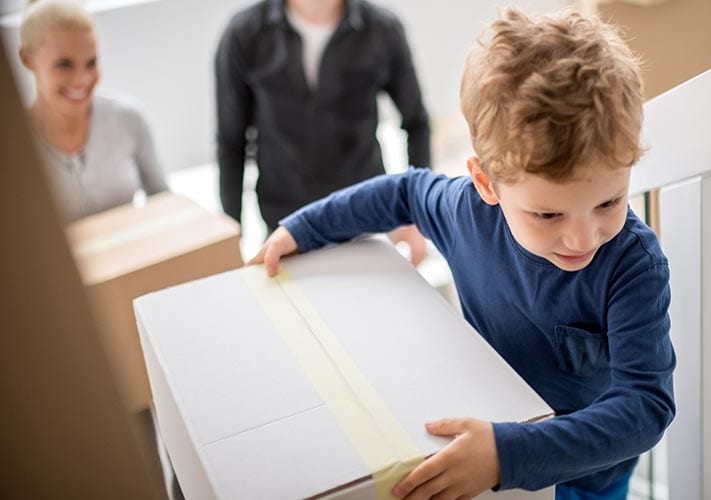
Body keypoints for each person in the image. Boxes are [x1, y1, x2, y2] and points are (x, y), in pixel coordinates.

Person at [251, 8, 675, 499]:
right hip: (484, 430)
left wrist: (506, 454)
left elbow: (646, 406)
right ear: (486, 183)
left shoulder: (632, 265)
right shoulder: (464, 211)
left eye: (609, 201)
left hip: (587, 473)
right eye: (548, 216)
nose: (584, 238)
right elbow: (404, 192)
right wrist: (305, 227)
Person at [215, 0, 430, 264]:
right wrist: (230, 237)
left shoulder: (382, 30)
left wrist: (418, 215)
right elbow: (230, 141)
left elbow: (417, 123)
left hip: (365, 220)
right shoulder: (245, 33)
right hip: (283, 222)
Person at [18, 0, 168, 222]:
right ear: (27, 59)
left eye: (91, 63)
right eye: (64, 64)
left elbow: (165, 202)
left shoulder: (127, 118)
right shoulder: (11, 147)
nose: (82, 80)